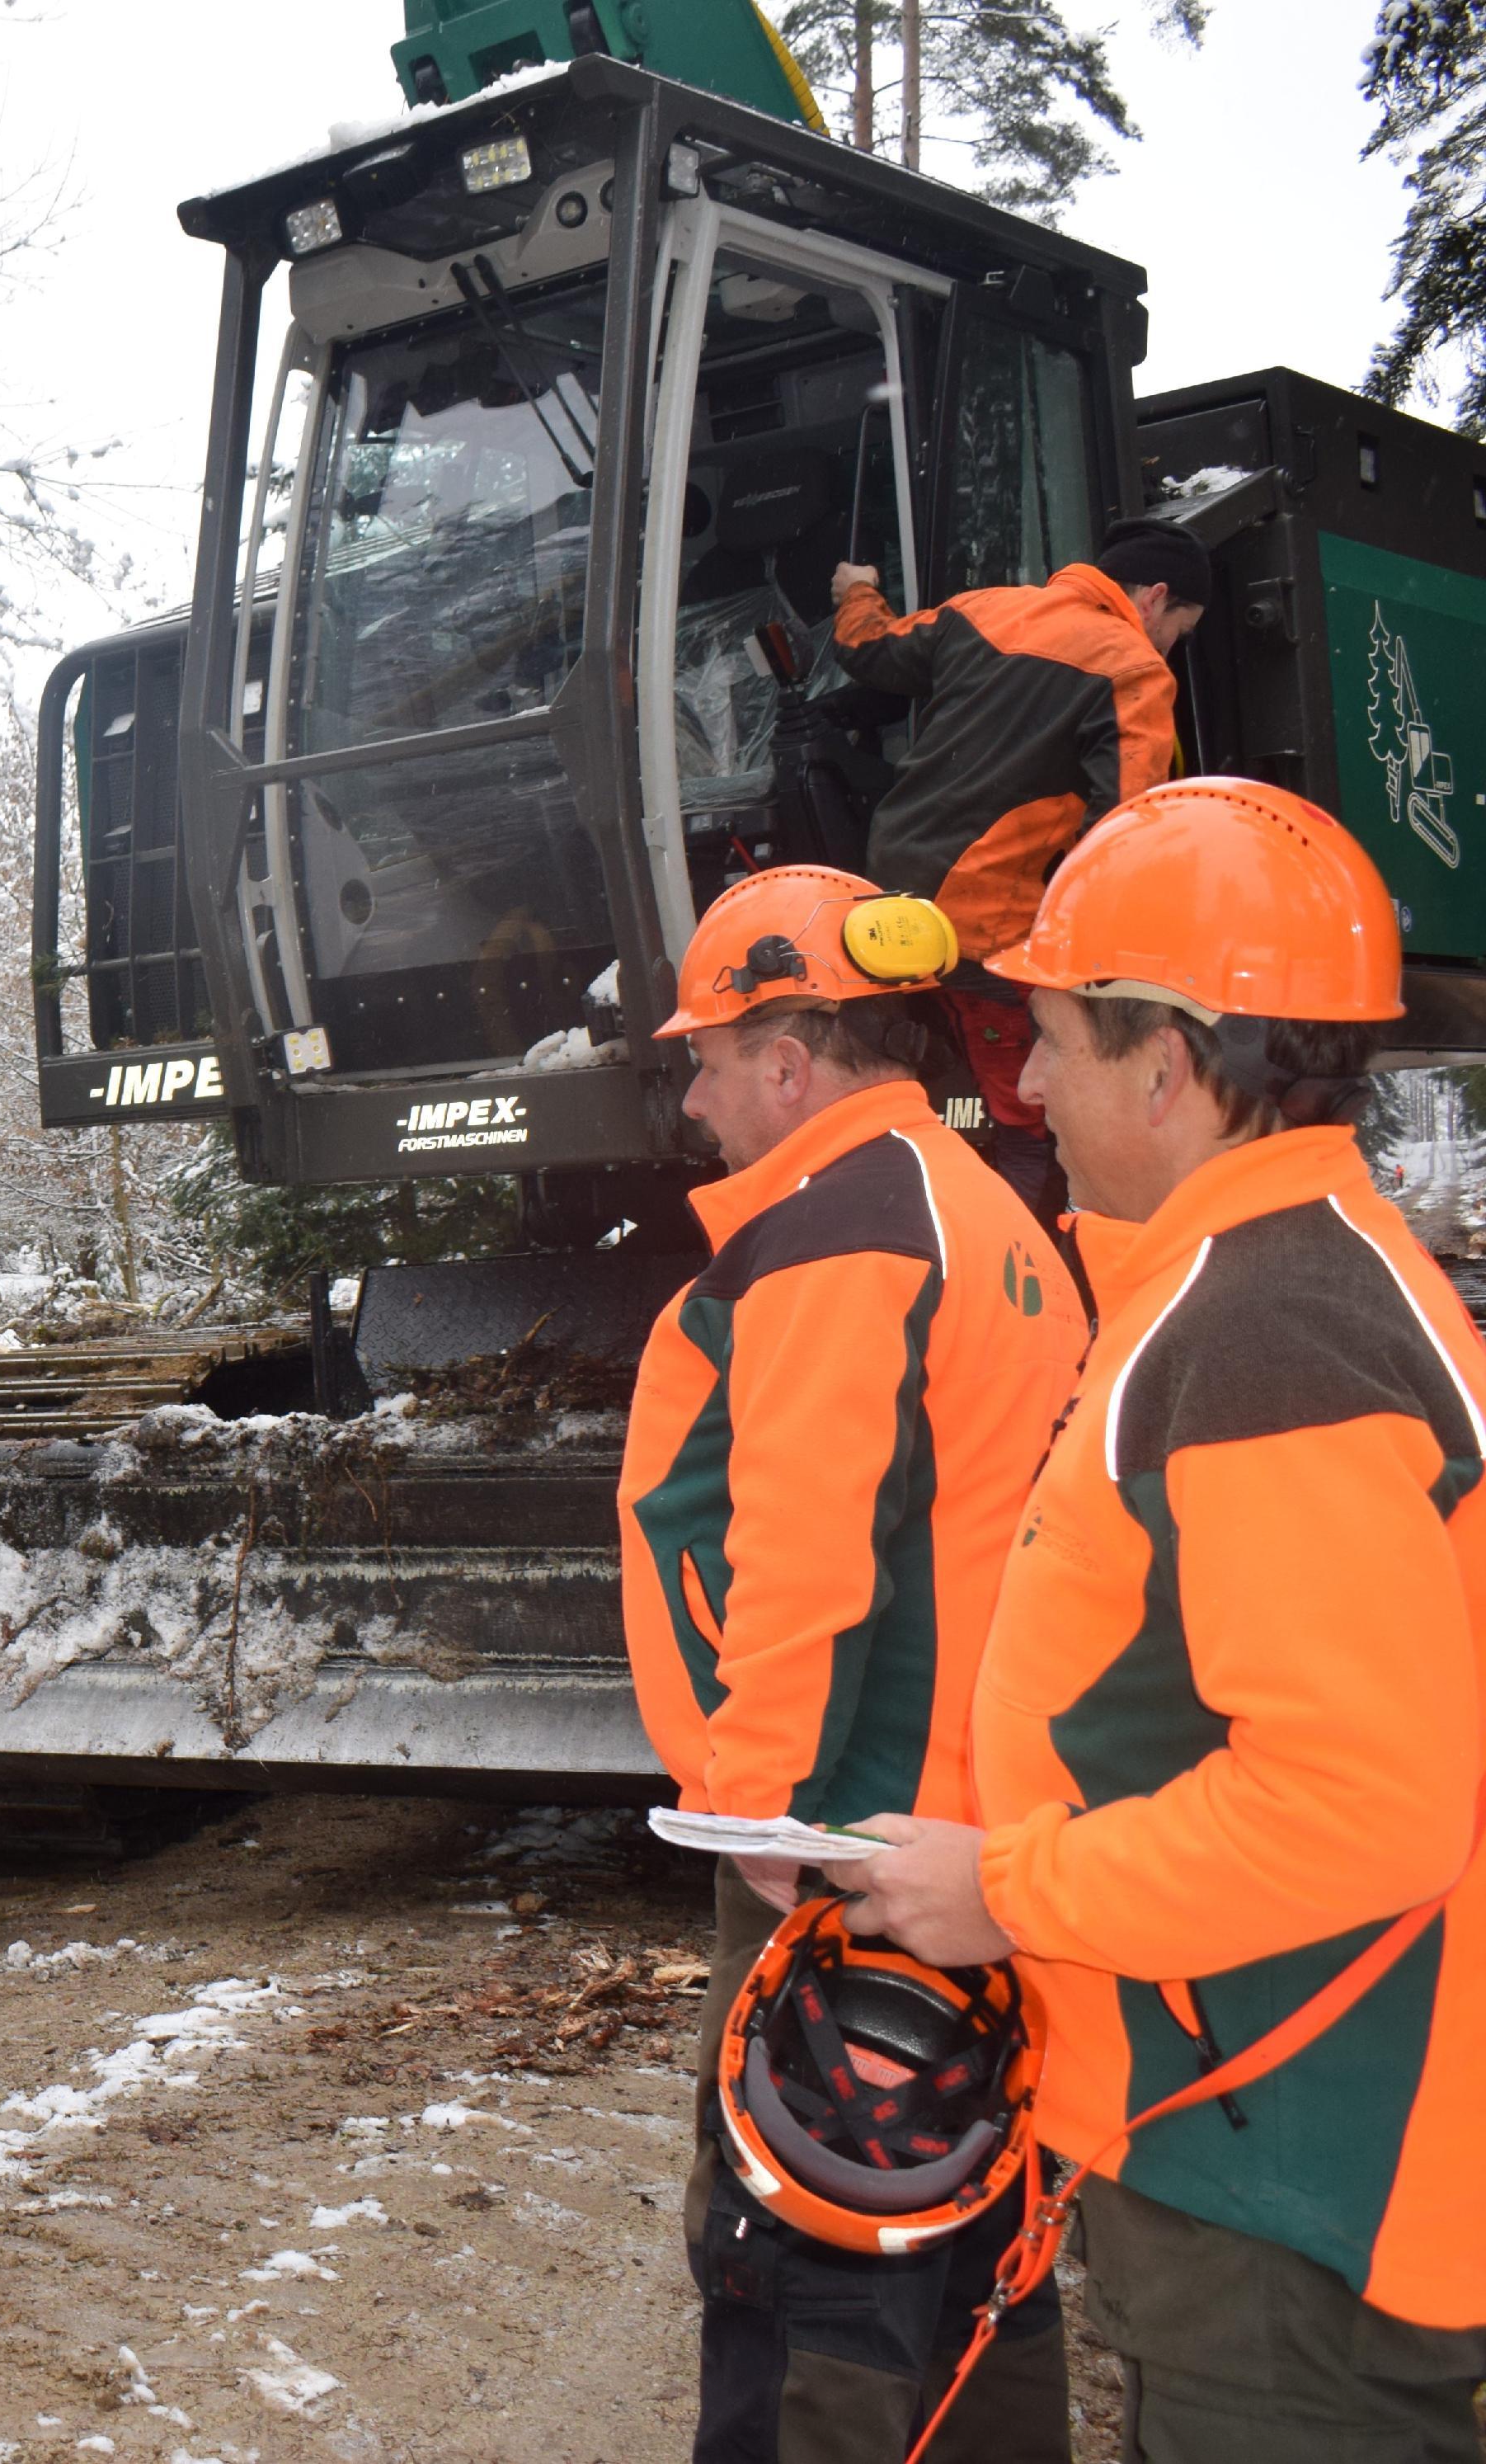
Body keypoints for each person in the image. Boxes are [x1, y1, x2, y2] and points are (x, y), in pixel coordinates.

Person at [849, 778, 1486, 2462]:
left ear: (1169, 1063)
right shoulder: (1255, 1284)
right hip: (1265, 2130)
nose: (1025, 1085)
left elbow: (1358, 1803)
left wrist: (1005, 1890)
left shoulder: (1271, 1331)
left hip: (1300, 2190)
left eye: (1052, 1038)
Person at [618, 866, 1092, 2463]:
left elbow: (807, 1551)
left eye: (706, 1062)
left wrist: (763, 1821)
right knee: (970, 2261)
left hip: (851, 1852)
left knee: (800, 2274)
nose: (695, 1103)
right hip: (966, 1843)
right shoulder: (980, 1207)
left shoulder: (840, 1228)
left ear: (786, 1058)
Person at [828, 520, 1208, 1213]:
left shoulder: (984, 610)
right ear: (1154, 598)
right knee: (1031, 1120)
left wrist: (857, 589)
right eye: (1181, 629)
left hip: (890, 897)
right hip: (983, 927)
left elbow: (867, 647)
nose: (1171, 646)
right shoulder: (1132, 668)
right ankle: (1024, 1256)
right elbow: (1126, 831)